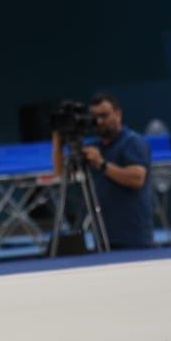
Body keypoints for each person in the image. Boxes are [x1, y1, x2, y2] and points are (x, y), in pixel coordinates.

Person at [52, 92, 154, 250]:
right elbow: (61, 173)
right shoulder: (94, 148)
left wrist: (101, 164)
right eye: (95, 117)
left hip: (133, 237)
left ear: (118, 114)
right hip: (103, 237)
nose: (99, 121)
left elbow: (137, 179)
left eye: (104, 116)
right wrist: (58, 142)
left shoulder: (132, 142)